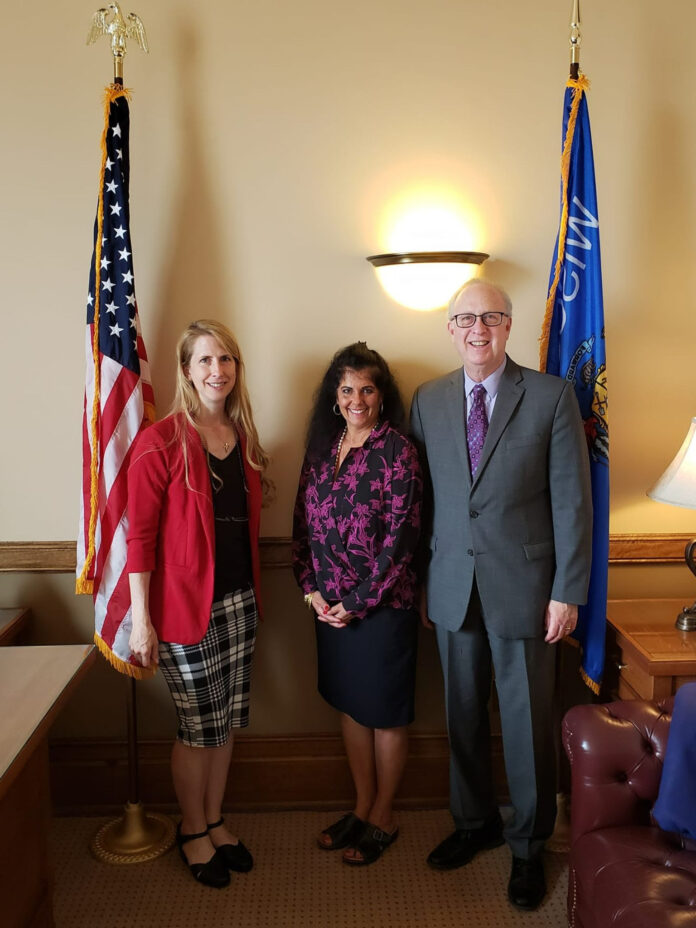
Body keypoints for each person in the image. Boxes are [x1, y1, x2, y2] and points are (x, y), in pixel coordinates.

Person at [410, 279, 592, 910]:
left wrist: (567, 591)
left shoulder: (549, 395)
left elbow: (572, 502)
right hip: (452, 586)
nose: (477, 329)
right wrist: (424, 582)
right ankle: (473, 822)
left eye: (490, 317)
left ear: (510, 325)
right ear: (451, 329)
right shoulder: (428, 400)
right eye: (465, 319)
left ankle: (527, 846)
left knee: (526, 723)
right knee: (460, 714)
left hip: (528, 591)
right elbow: (424, 503)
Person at [126, 319, 271, 889]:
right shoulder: (159, 441)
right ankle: (192, 829)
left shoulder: (243, 437)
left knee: (227, 719)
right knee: (196, 726)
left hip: (240, 601)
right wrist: (143, 620)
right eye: (206, 361)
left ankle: (214, 819)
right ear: (187, 370)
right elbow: (137, 538)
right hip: (185, 608)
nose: (218, 370)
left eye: (227, 360)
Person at [292, 342, 422, 866]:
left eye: (367, 388)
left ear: (382, 395)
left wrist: (357, 603)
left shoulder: (399, 451)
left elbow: (401, 541)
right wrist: (312, 589)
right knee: (351, 706)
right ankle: (362, 805)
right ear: (334, 396)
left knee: (385, 715)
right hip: (329, 610)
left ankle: (384, 814)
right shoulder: (322, 450)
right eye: (347, 389)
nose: (357, 398)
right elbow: (301, 530)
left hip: (383, 610)